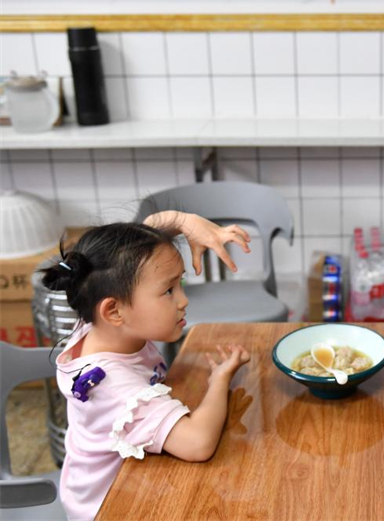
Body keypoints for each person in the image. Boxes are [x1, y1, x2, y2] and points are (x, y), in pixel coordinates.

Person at [41, 212, 252, 520]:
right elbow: (198, 443)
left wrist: (183, 221)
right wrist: (220, 378)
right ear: (114, 310)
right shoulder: (110, 385)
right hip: (111, 505)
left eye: (179, 284)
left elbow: (146, 232)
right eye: (169, 291)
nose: (183, 301)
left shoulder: (102, 318)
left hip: (135, 479)